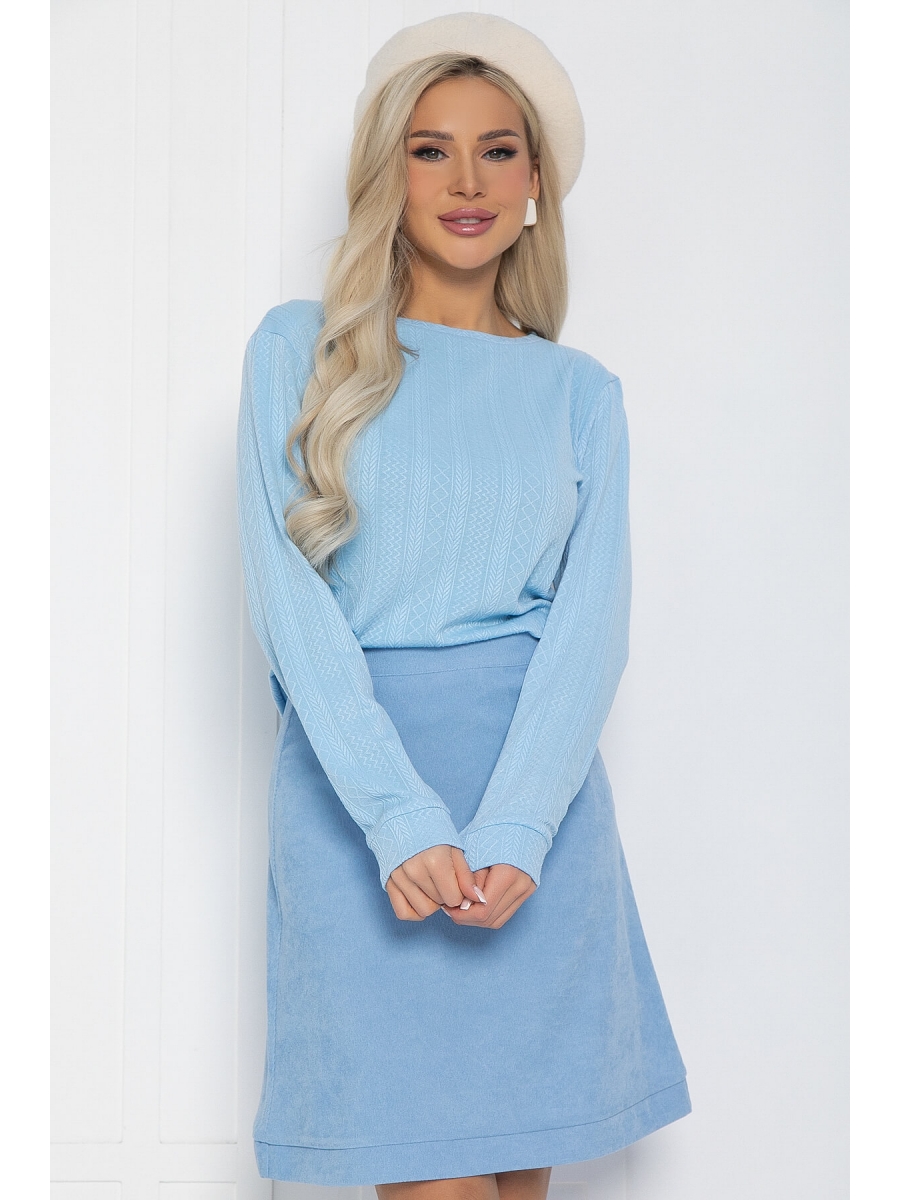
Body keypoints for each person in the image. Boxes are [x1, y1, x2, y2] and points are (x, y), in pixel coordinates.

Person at [236, 13, 690, 1200]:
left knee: (518, 1181)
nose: (468, 181)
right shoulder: (298, 351)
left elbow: (593, 628)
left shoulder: (579, 392)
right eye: (431, 150)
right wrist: (399, 819)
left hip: (531, 810)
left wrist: (518, 829)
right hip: (356, 803)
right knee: (425, 1175)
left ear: (537, 184)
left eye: (498, 150)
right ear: (388, 174)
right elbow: (289, 603)